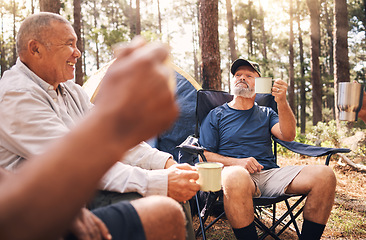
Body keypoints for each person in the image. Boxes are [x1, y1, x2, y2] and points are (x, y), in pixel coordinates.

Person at [0, 12, 199, 239]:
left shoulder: (71, 90)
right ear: (35, 49)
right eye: (69, 44)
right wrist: (159, 182)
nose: (78, 53)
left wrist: (165, 162)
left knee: (172, 197)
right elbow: (77, 163)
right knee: (165, 203)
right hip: (37, 216)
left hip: (76, 198)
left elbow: (113, 141)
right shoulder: (15, 96)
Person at [199, 59, 337, 240]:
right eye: (238, 75)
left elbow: (288, 135)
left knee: (325, 175)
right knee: (235, 176)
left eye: (249, 75)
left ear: (260, 84)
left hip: (270, 175)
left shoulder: (266, 113)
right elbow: (204, 156)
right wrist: (238, 163)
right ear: (232, 82)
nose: (242, 78)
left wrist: (281, 101)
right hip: (236, 177)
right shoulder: (216, 115)